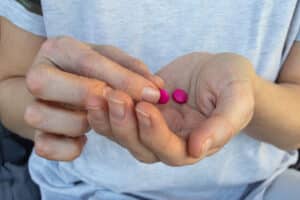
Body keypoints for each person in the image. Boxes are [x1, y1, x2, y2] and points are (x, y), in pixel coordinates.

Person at [1, 0, 300, 199]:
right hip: (85, 188)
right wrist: (64, 105)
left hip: (261, 188)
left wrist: (250, 95)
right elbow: (8, 85)